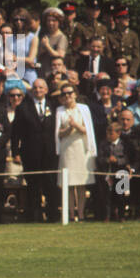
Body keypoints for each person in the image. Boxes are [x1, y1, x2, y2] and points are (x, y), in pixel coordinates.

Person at [55, 84, 95, 222]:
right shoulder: (60, 110)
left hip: (81, 148)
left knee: (81, 184)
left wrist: (76, 125)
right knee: (69, 184)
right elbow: (58, 133)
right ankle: (71, 215)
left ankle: (82, 214)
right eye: (64, 94)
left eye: (69, 93)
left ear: (75, 94)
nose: (67, 96)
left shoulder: (83, 109)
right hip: (67, 149)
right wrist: (68, 129)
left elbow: (88, 131)